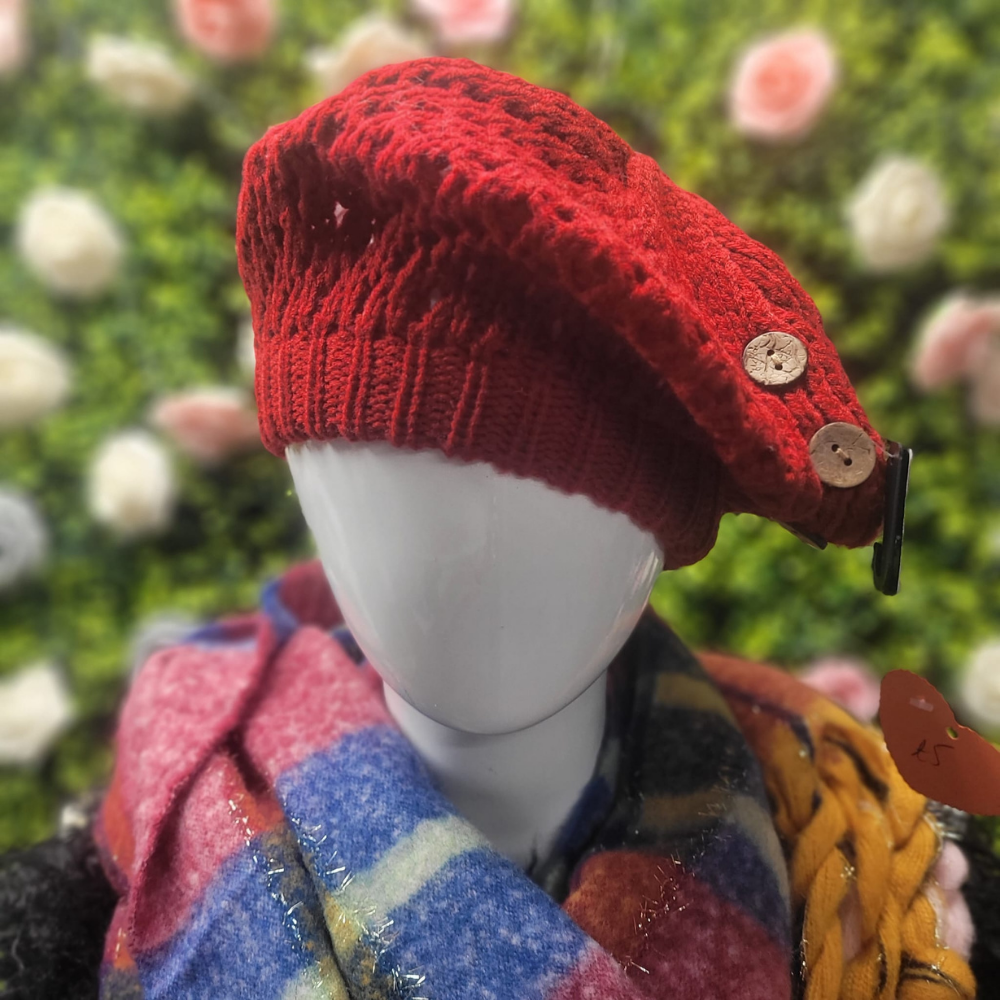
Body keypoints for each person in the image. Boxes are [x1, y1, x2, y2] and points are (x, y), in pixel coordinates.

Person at [2, 57, 995, 1000]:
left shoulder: (877, 878)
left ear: (667, 528)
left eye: (557, 491)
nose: (445, 567)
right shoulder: (84, 893)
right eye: (360, 483)